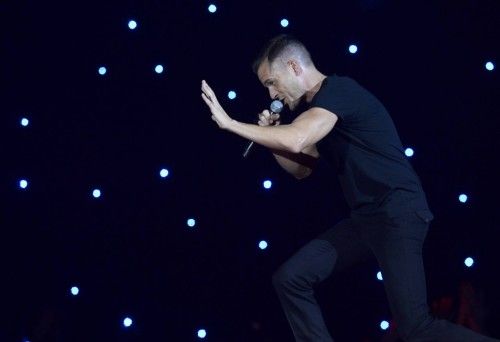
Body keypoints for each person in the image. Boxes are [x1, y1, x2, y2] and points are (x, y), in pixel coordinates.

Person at [200, 34, 497, 341]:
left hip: (397, 212)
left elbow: (298, 138)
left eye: (272, 83)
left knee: (415, 328)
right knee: (290, 278)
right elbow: (302, 168)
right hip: (368, 220)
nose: (272, 93)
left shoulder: (339, 92)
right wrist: (272, 137)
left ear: (294, 67)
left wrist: (230, 123)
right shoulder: (317, 111)